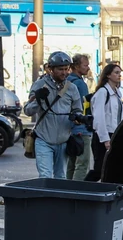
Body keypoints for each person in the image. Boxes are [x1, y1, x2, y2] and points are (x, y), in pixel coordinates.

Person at [23, 51, 82, 179]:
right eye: (60, 69)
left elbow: (78, 110)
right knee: (45, 177)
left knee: (61, 177)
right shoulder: (40, 85)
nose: (64, 72)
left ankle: (59, 200)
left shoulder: (72, 88)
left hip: (64, 140)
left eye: (67, 69)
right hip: (44, 140)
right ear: (50, 69)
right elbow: (27, 110)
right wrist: (39, 100)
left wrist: (77, 118)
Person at [86, 63, 123, 182]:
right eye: (116, 72)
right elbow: (99, 117)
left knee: (114, 168)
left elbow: (121, 116)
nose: (119, 75)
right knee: (99, 169)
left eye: (120, 73)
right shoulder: (103, 92)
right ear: (108, 75)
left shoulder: (117, 93)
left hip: (115, 135)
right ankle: (83, 190)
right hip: (104, 136)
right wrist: (105, 139)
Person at [65, 53, 93, 181]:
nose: (88, 68)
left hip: (68, 127)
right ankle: (77, 192)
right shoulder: (80, 84)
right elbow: (84, 107)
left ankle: (67, 190)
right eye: (85, 65)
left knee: (71, 163)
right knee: (82, 163)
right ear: (76, 66)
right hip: (81, 127)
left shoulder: (67, 81)